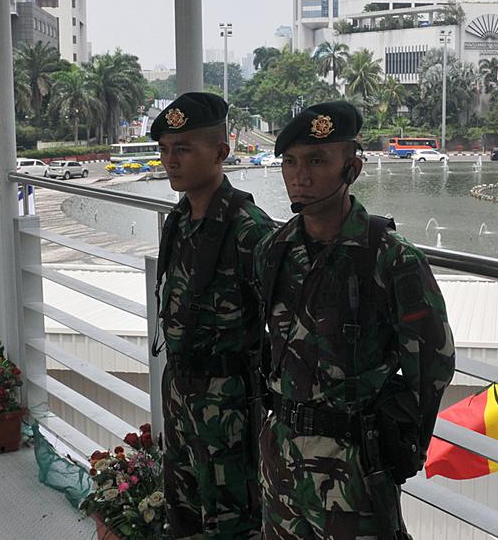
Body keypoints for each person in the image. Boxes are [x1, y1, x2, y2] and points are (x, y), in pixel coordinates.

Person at [254, 102, 455, 540]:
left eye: (317, 161)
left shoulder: (391, 259)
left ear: (353, 169)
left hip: (353, 467)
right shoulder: (275, 251)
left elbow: (433, 366)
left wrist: (400, 446)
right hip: (281, 459)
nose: (299, 176)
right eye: (290, 161)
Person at [151, 92, 276, 539]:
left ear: (221, 152)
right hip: (181, 392)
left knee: (233, 522)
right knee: (181, 509)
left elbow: (282, 322)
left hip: (229, 408)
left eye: (183, 148)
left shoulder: (249, 229)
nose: (170, 160)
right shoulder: (179, 221)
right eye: (165, 149)